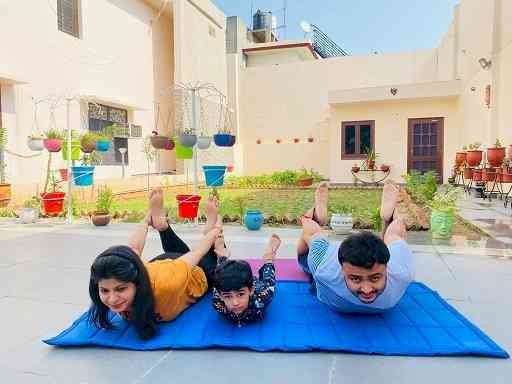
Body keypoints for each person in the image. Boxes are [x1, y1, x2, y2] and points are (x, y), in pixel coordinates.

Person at [88, 189, 224, 340]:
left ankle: (209, 227)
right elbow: (134, 249)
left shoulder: (168, 284)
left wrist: (216, 230)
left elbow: (197, 253)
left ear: (137, 282)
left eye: (120, 289)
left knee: (212, 262)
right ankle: (161, 225)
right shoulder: (127, 273)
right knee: (177, 255)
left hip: (190, 274)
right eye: (105, 291)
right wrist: (146, 221)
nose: (112, 299)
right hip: (161, 264)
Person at [297, 181, 415, 313]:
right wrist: (308, 220)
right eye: (355, 278)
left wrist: (397, 220)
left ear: (387, 268)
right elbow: (311, 233)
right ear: (341, 270)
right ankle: (318, 217)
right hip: (329, 257)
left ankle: (387, 216)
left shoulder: (402, 274)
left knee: (394, 236)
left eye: (375, 278)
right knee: (305, 252)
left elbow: (396, 235)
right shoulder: (323, 269)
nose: (366, 290)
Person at [211, 234, 281, 326]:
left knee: (269, 281)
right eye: (228, 296)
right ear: (221, 296)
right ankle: (222, 255)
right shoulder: (218, 303)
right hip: (236, 285)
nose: (235, 303)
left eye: (240, 294)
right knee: (219, 274)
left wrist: (269, 261)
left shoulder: (262, 299)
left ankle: (269, 255)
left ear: (251, 290)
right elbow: (218, 281)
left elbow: (269, 283)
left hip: (257, 287)